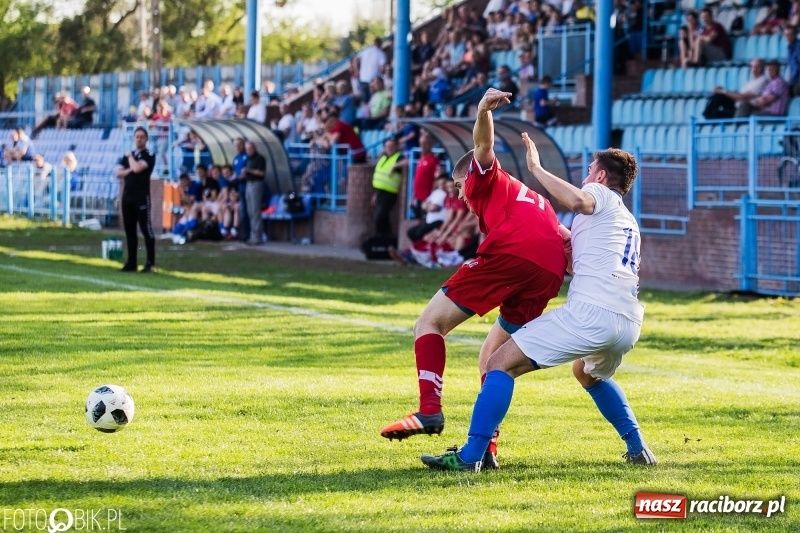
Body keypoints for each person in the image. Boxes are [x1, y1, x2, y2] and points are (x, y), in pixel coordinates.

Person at [420, 137, 654, 472]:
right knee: (587, 373)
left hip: (592, 313)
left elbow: (578, 200)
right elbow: (578, 261)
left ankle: (471, 456)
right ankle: (638, 448)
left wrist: (536, 169)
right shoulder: (626, 221)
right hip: (628, 321)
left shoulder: (599, 195)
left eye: (590, 170)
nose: (586, 177)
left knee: (498, 364)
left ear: (601, 177)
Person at [380, 89, 570, 470]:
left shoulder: (483, 178)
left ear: (467, 177)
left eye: (457, 187)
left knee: (428, 323)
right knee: (495, 360)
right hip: (548, 273)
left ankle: (429, 409)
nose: (461, 196)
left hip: (514, 253)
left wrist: (483, 110)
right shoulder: (528, 197)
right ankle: (486, 449)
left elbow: (483, 146)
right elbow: (564, 239)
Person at [115, 127, 156, 273]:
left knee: (146, 228)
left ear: (146, 139)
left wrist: (131, 160)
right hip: (128, 196)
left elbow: (138, 169)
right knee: (129, 230)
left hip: (141, 196)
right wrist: (131, 168)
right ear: (133, 138)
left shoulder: (148, 155)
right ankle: (131, 262)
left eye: (142, 137)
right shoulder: (128, 156)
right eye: (137, 137)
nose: (139, 139)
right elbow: (118, 173)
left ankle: (150, 263)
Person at [371, 136, 406, 237]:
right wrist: (375, 194)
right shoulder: (383, 157)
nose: (389, 148)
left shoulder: (398, 157)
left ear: (396, 146)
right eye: (387, 146)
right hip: (380, 192)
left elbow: (407, 161)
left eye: (391, 146)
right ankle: (388, 237)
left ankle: (380, 236)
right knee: (384, 218)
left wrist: (395, 166)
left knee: (379, 217)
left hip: (390, 193)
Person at [241, 141, 267, 245]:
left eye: (250, 148)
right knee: (250, 211)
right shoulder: (249, 159)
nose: (248, 151)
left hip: (256, 184)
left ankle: (257, 237)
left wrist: (248, 171)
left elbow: (261, 173)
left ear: (254, 148)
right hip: (248, 183)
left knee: (255, 211)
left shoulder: (260, 158)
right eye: (247, 149)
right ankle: (253, 236)